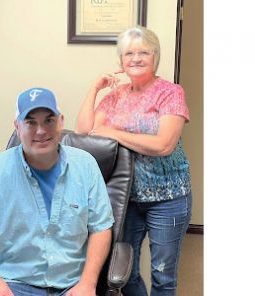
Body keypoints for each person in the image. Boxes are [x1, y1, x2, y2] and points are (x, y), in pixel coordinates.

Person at [0, 87, 114, 296]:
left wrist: (88, 283)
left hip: (71, 285)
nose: (41, 131)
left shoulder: (85, 165)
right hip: (11, 284)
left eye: (49, 120)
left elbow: (100, 227)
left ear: (61, 121)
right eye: (30, 122)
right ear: (17, 127)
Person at [75, 26, 192, 296]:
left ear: (155, 56)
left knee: (163, 276)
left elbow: (163, 145)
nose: (136, 58)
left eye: (144, 52)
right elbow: (84, 131)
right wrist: (95, 88)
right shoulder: (116, 94)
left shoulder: (170, 92)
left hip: (169, 199)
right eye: (129, 53)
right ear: (121, 60)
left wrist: (113, 133)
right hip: (126, 199)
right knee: (124, 273)